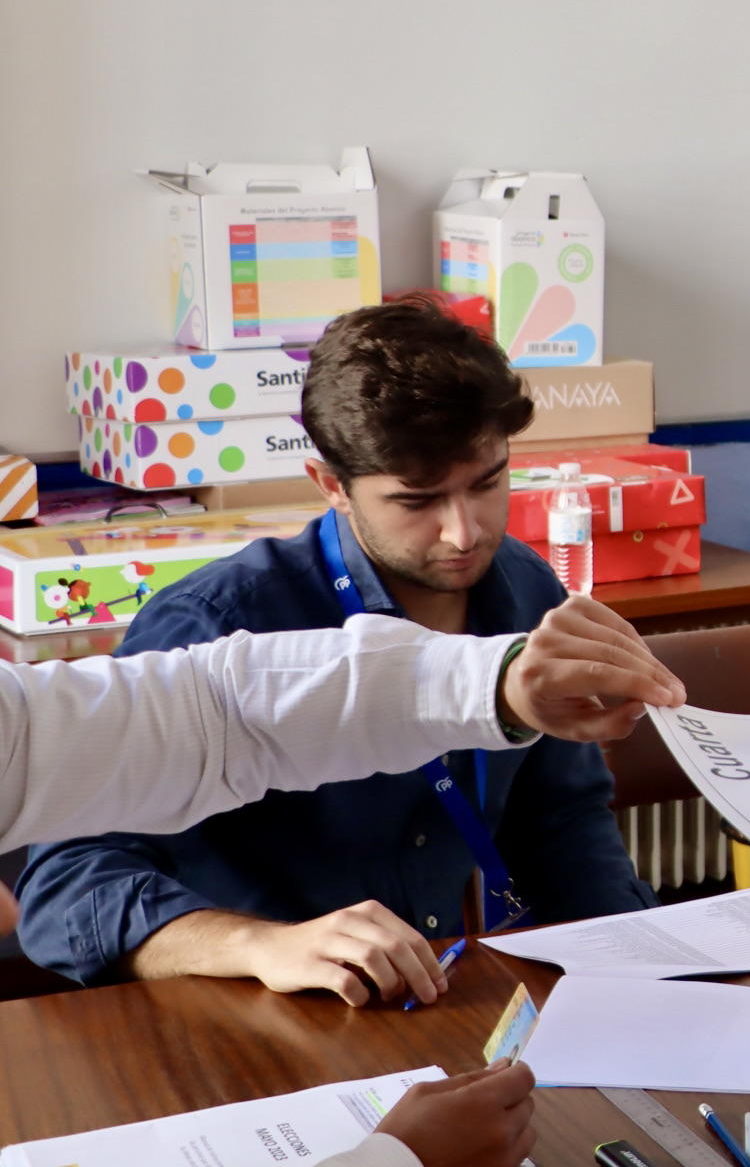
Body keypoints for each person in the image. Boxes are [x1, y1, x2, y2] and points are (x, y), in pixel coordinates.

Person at [18, 297, 657, 1004]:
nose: (463, 533)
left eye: (487, 483)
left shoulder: (526, 587)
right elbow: (66, 886)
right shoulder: (221, 622)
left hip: (438, 1003)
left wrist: (633, 969)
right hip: (257, 1023)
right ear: (332, 486)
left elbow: (561, 820)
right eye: (416, 502)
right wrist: (257, 944)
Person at [0, 608, 688, 1167]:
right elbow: (69, 886)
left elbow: (217, 712)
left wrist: (493, 684)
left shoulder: (525, 591)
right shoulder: (215, 603)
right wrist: (400, 1159)